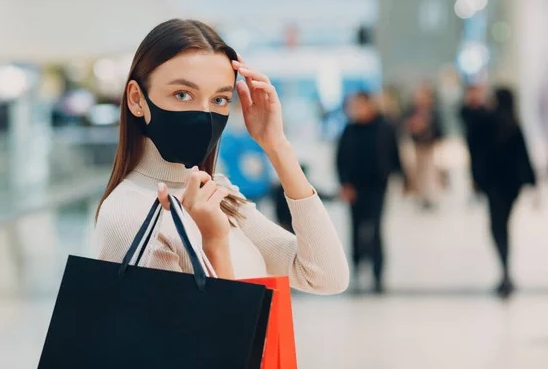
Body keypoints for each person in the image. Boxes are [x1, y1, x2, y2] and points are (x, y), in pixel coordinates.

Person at [94, 19, 349, 294]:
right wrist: (214, 244)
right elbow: (207, 335)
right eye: (182, 94)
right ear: (136, 98)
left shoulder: (218, 193)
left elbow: (325, 277)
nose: (204, 114)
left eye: (219, 99)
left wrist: (276, 145)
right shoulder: (127, 213)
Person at [336, 92, 404, 293]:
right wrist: (344, 183)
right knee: (356, 228)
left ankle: (378, 273)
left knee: (375, 228)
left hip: (377, 186)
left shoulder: (384, 127)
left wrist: (399, 176)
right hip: (354, 187)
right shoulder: (349, 130)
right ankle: (356, 268)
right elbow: (340, 159)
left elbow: (394, 153)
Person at [480, 87, 537, 298]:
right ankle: (505, 271)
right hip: (510, 186)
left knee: (498, 227)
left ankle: (504, 271)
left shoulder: (490, 122)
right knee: (502, 227)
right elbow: (524, 156)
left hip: (497, 185)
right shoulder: (512, 123)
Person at [405, 84, 445, 210]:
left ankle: (430, 196)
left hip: (430, 146)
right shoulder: (412, 111)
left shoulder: (433, 111)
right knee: (419, 173)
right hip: (417, 145)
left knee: (430, 172)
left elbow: (439, 128)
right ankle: (421, 196)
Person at [460, 84, 492, 197]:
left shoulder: (484, 109)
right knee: (475, 165)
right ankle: (476, 185)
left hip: (485, 144)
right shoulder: (467, 110)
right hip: (473, 143)